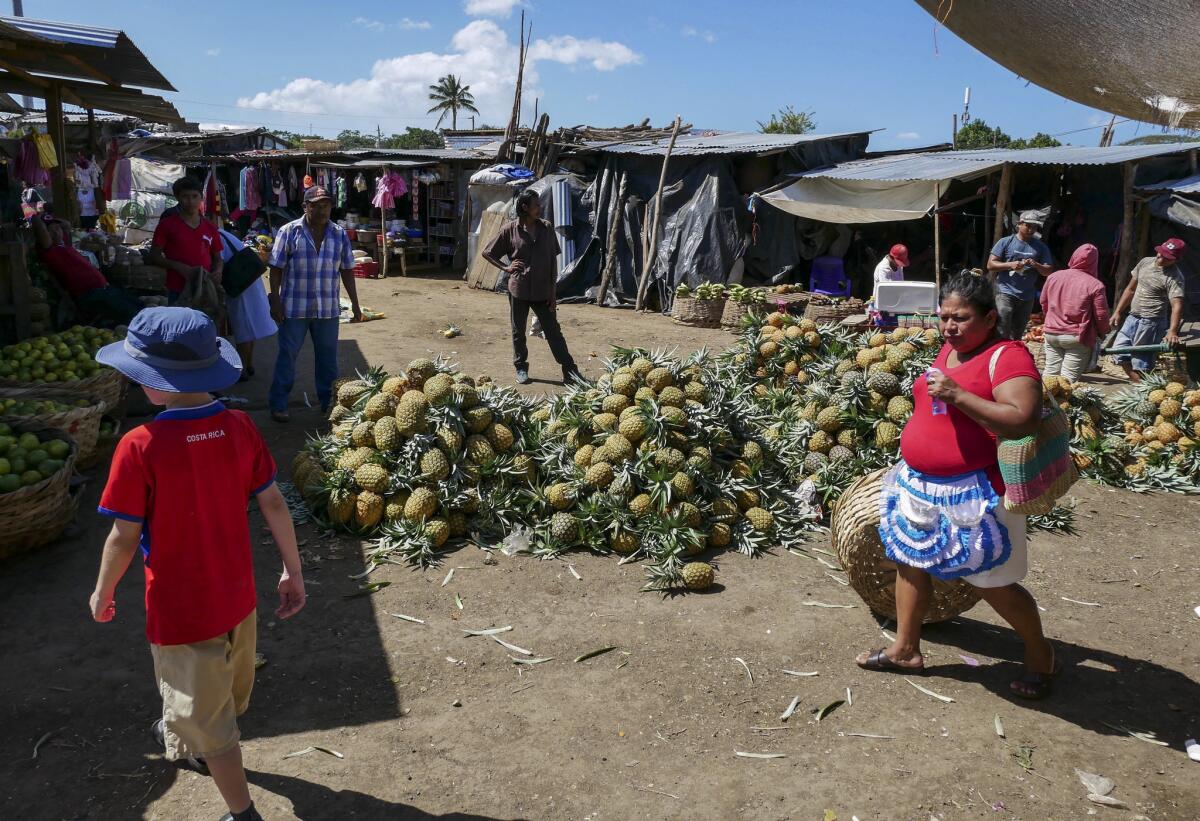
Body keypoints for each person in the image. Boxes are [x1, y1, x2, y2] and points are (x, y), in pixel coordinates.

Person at [88, 307, 305, 821]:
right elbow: (273, 502)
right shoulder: (239, 427)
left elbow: (123, 536)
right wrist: (293, 571)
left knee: (213, 725)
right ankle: (189, 731)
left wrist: (103, 592)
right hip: (238, 599)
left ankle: (242, 812)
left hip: (182, 613)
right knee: (221, 695)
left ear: (153, 384)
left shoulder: (139, 445)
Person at [855, 273, 1059, 699]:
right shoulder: (951, 347)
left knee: (992, 579)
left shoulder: (1008, 355)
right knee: (909, 562)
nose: (949, 326)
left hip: (975, 491)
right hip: (920, 484)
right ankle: (906, 650)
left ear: (989, 317)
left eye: (961, 318)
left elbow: (1024, 417)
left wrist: (958, 396)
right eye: (944, 316)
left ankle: (1041, 657)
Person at [267, 186, 361, 422]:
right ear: (305, 207)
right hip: (293, 308)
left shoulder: (339, 234)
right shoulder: (289, 232)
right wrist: (275, 299)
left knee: (328, 358)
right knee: (287, 356)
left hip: (327, 309)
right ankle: (278, 403)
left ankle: (328, 403)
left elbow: (347, 270)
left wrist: (356, 305)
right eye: (316, 205)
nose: (322, 210)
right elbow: (276, 268)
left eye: (326, 205)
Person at [482, 188, 580, 385]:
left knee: (553, 332)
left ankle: (570, 371)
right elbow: (487, 252)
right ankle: (521, 368)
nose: (539, 208)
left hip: (543, 291)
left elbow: (553, 261)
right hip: (519, 288)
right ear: (524, 207)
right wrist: (506, 267)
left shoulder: (546, 227)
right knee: (518, 331)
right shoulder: (510, 230)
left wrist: (553, 292)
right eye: (536, 205)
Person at [30, 212, 143, 325]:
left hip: (103, 289)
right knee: (134, 314)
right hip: (91, 295)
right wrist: (36, 216)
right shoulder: (49, 250)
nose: (56, 232)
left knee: (139, 305)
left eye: (57, 228)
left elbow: (67, 225)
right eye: (50, 230)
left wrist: (50, 217)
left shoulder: (63, 243)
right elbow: (40, 228)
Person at [1110, 238, 1187, 382]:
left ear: (1175, 259)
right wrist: (1118, 312)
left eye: (1166, 257)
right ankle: (1144, 387)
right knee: (1119, 353)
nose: (1160, 257)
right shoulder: (1145, 262)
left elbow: (1177, 305)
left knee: (1142, 363)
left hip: (1151, 322)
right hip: (1132, 317)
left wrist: (1172, 331)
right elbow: (1130, 289)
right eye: (1160, 253)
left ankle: (1147, 391)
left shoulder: (1175, 277)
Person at [1039, 243, 1110, 384]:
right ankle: (1058, 406)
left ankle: (1041, 404)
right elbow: (1101, 315)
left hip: (1051, 333)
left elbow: (1043, 303)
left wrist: (1051, 320)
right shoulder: (1095, 285)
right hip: (1076, 337)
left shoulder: (1053, 277)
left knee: (1049, 375)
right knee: (1067, 381)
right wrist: (1103, 333)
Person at [147, 177, 224, 302]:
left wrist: (218, 271)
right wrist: (178, 266)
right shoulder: (167, 225)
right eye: (185, 196)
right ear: (177, 198)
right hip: (177, 289)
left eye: (195, 196)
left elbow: (218, 258)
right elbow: (154, 256)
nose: (191, 201)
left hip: (204, 287)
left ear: (201, 198)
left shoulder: (210, 227)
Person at [217, 227, 276, 382]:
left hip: (240, 282)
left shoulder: (213, 236)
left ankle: (242, 367)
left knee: (243, 326)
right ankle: (247, 364)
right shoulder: (222, 233)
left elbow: (218, 264)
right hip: (246, 279)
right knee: (248, 325)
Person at [987, 211, 1053, 339]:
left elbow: (1048, 271)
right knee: (1002, 329)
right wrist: (1010, 265)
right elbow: (990, 265)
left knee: (1017, 333)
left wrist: (1036, 265)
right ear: (1019, 225)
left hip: (1027, 296)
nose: (1031, 229)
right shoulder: (1006, 242)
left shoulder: (1040, 247)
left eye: (1034, 227)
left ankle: (1013, 355)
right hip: (1005, 292)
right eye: (1028, 225)